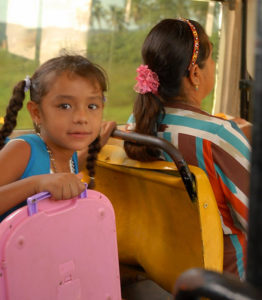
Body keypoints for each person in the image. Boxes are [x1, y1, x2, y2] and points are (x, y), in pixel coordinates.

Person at [124, 18, 250, 279]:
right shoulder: (217, 136)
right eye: (212, 59)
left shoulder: (136, 125)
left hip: (167, 267)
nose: (214, 67)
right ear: (194, 73)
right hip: (228, 277)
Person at [0, 54, 116, 222]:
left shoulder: (70, 156)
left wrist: (101, 138)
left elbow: (66, 167)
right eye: (65, 106)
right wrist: (35, 185)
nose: (81, 118)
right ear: (36, 112)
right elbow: (43, 174)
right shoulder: (23, 150)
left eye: (92, 106)